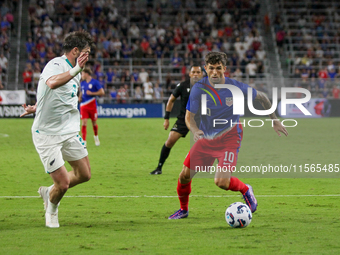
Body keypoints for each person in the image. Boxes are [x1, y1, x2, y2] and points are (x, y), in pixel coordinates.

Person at [168, 52, 288, 219]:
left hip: (230, 138)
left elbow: (262, 98)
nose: (215, 72)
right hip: (206, 138)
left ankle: (245, 189)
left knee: (221, 182)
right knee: (184, 175)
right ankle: (184, 209)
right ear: (205, 69)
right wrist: (194, 130)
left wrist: (274, 120)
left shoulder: (236, 87)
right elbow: (189, 117)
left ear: (225, 69)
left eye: (219, 68)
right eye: (211, 69)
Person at [20, 31, 95, 228]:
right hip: (47, 134)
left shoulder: (76, 70)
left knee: (85, 174)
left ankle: (48, 191)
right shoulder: (56, 64)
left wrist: (37, 106)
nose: (88, 56)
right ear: (75, 51)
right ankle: (51, 211)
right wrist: (76, 70)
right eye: (86, 52)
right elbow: (52, 83)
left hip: (69, 131)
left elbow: (58, 95)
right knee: (63, 183)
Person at [150, 65, 203, 175]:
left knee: (211, 142)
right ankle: (159, 168)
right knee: (170, 141)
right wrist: (166, 118)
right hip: (184, 119)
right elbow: (171, 100)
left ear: (202, 74)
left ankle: (222, 170)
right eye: (194, 72)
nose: (196, 74)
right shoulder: (183, 86)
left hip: (201, 120)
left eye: (198, 72)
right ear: (189, 74)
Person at [78, 68, 105, 146]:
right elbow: (81, 92)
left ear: (86, 74)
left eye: (82, 74)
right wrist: (79, 97)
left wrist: (92, 93)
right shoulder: (82, 83)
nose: (81, 75)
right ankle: (84, 141)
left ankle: (96, 137)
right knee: (84, 123)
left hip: (92, 105)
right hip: (83, 105)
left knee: (94, 123)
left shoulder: (95, 82)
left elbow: (102, 92)